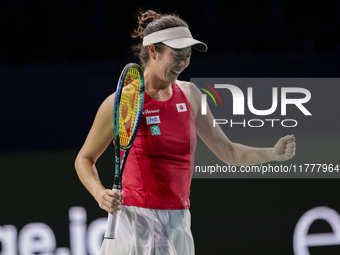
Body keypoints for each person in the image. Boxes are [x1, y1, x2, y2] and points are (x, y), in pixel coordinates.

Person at [74, 9, 296, 255]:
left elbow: (228, 151)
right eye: (177, 55)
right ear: (153, 51)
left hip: (179, 222)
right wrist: (99, 193)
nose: (183, 63)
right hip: (137, 222)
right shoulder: (122, 102)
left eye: (188, 56)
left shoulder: (191, 95)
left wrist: (272, 154)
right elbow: (84, 159)